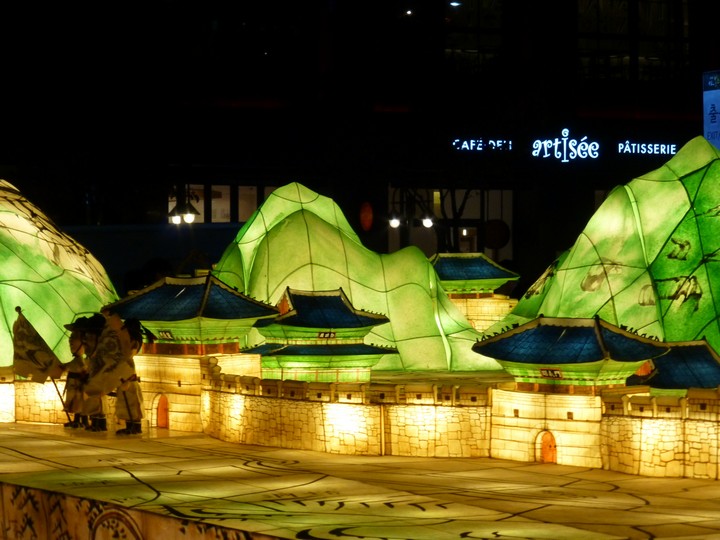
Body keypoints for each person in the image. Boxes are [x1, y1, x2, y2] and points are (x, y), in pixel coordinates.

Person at [63, 313, 108, 431]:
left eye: (89, 337)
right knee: (83, 403)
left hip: (92, 388)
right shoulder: (90, 361)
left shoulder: (97, 361)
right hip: (87, 387)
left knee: (95, 403)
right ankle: (89, 422)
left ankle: (98, 423)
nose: (86, 341)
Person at [113, 318, 146, 435]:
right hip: (124, 385)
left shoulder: (129, 361)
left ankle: (136, 427)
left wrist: (126, 381)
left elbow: (130, 372)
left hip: (130, 385)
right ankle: (129, 426)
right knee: (126, 408)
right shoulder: (124, 360)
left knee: (133, 406)